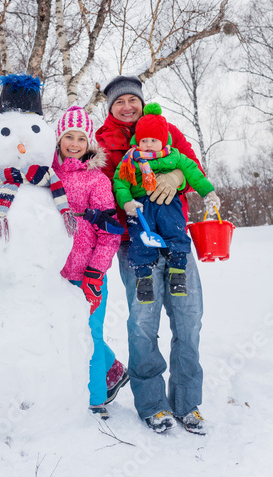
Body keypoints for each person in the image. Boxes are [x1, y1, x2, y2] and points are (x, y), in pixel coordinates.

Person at [96, 75, 208, 434]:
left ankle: (186, 402)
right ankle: (152, 404)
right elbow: (98, 188)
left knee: (188, 321)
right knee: (143, 325)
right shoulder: (103, 140)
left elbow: (195, 170)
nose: (127, 107)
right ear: (110, 108)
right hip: (136, 244)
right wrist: (124, 201)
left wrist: (178, 175)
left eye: (132, 100)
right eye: (119, 102)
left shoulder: (168, 129)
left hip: (176, 241)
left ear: (142, 101)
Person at [52, 106, 128, 419]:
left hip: (88, 274)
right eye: (68, 136)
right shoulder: (48, 176)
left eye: (80, 137)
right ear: (58, 140)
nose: (73, 143)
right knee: (64, 333)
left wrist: (96, 271)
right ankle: (113, 369)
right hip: (55, 274)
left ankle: (96, 399)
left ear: (89, 142)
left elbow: (109, 233)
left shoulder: (96, 179)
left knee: (91, 333)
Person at [113, 102, 220, 304]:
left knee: (176, 233)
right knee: (141, 240)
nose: (148, 144)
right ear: (137, 140)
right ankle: (143, 278)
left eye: (154, 140)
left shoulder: (175, 157)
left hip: (169, 205)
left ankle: (178, 272)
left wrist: (209, 193)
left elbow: (195, 174)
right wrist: (127, 203)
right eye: (144, 140)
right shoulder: (130, 161)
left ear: (163, 140)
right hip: (141, 208)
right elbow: (120, 182)